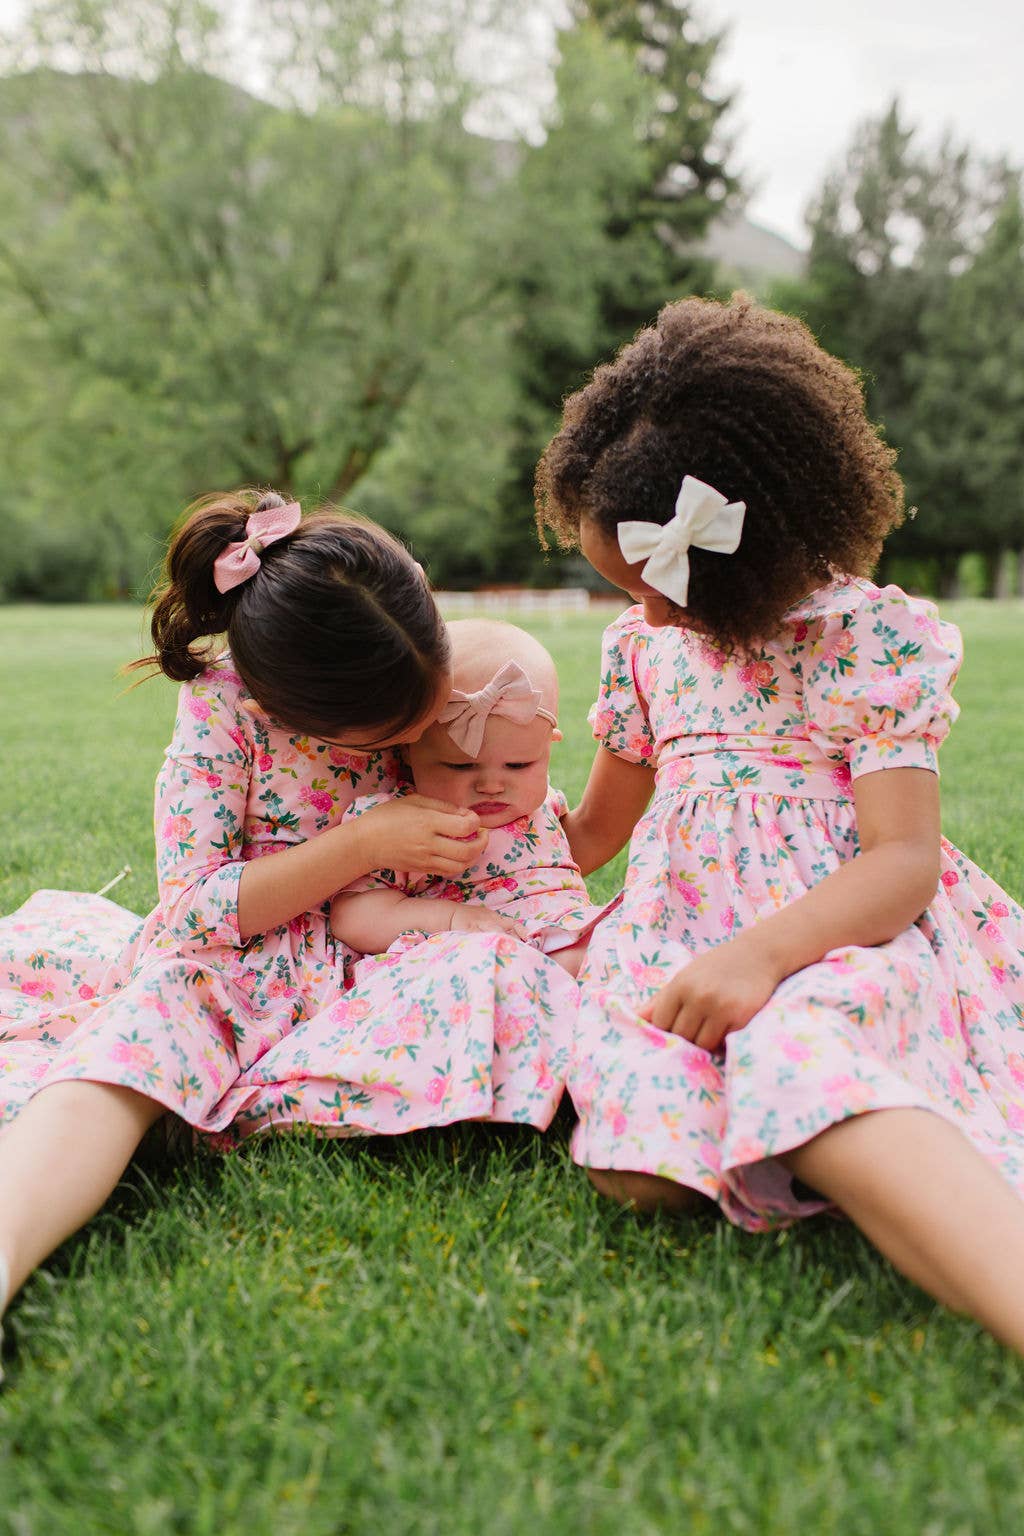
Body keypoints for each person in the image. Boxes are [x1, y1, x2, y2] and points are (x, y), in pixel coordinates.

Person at [534, 293, 1024, 1352]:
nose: (648, 614)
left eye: (659, 586)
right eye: (625, 589)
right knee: (638, 1168)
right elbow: (592, 834)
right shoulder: (643, 649)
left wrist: (761, 958)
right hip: (677, 946)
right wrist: (470, 841)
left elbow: (903, 861)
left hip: (836, 934)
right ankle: (832, 1142)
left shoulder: (865, 640)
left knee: (802, 1049)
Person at [0, 492, 573, 1332]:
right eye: (390, 735)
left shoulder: (401, 652)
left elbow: (512, 805)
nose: (422, 734)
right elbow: (194, 907)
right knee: (129, 1051)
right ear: (293, 713)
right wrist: (365, 842)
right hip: (238, 957)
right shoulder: (227, 712)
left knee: (514, 975)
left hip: (379, 951)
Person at [331, 619, 610, 976]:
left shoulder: (544, 804)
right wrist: (450, 918)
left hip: (566, 935)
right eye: (460, 767)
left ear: (548, 745)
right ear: (407, 752)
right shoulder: (402, 821)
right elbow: (352, 916)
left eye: (519, 764)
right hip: (472, 958)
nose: (492, 785)